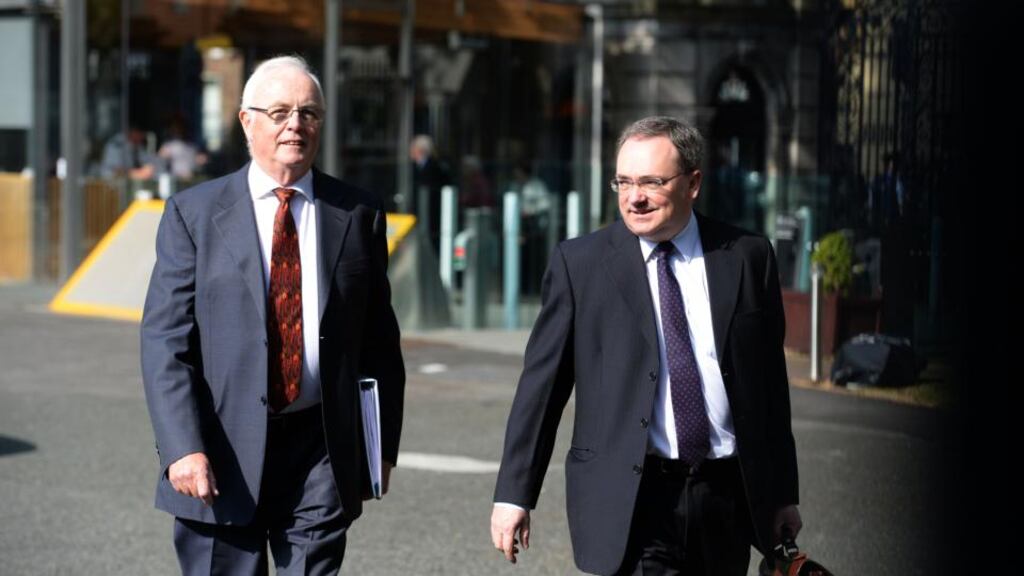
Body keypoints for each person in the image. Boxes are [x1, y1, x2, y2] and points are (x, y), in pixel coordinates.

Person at [490, 116, 801, 575]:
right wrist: (514, 493)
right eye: (624, 182)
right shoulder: (581, 265)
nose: (634, 197)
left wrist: (782, 497)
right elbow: (542, 388)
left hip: (726, 497)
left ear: (693, 183)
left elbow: (771, 390)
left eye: (652, 182)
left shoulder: (747, 257)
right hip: (634, 500)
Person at [141, 55, 405, 575]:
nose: (296, 126)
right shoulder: (194, 215)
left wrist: (380, 447)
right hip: (221, 452)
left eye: (309, 113)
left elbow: (378, 341)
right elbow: (164, 342)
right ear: (247, 120)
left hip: (320, 450)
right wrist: (182, 448)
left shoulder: (357, 213)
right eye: (280, 111)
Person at [409, 134, 450, 252]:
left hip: (431, 215)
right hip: (427, 214)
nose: (411, 152)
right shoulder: (419, 167)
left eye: (413, 148)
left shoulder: (433, 167)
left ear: (420, 150)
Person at [158, 117, 207, 181]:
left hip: (192, 179)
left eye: (180, 127)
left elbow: (199, 161)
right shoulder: (168, 145)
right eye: (175, 127)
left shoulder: (193, 145)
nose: (178, 130)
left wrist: (201, 160)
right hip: (176, 180)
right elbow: (160, 161)